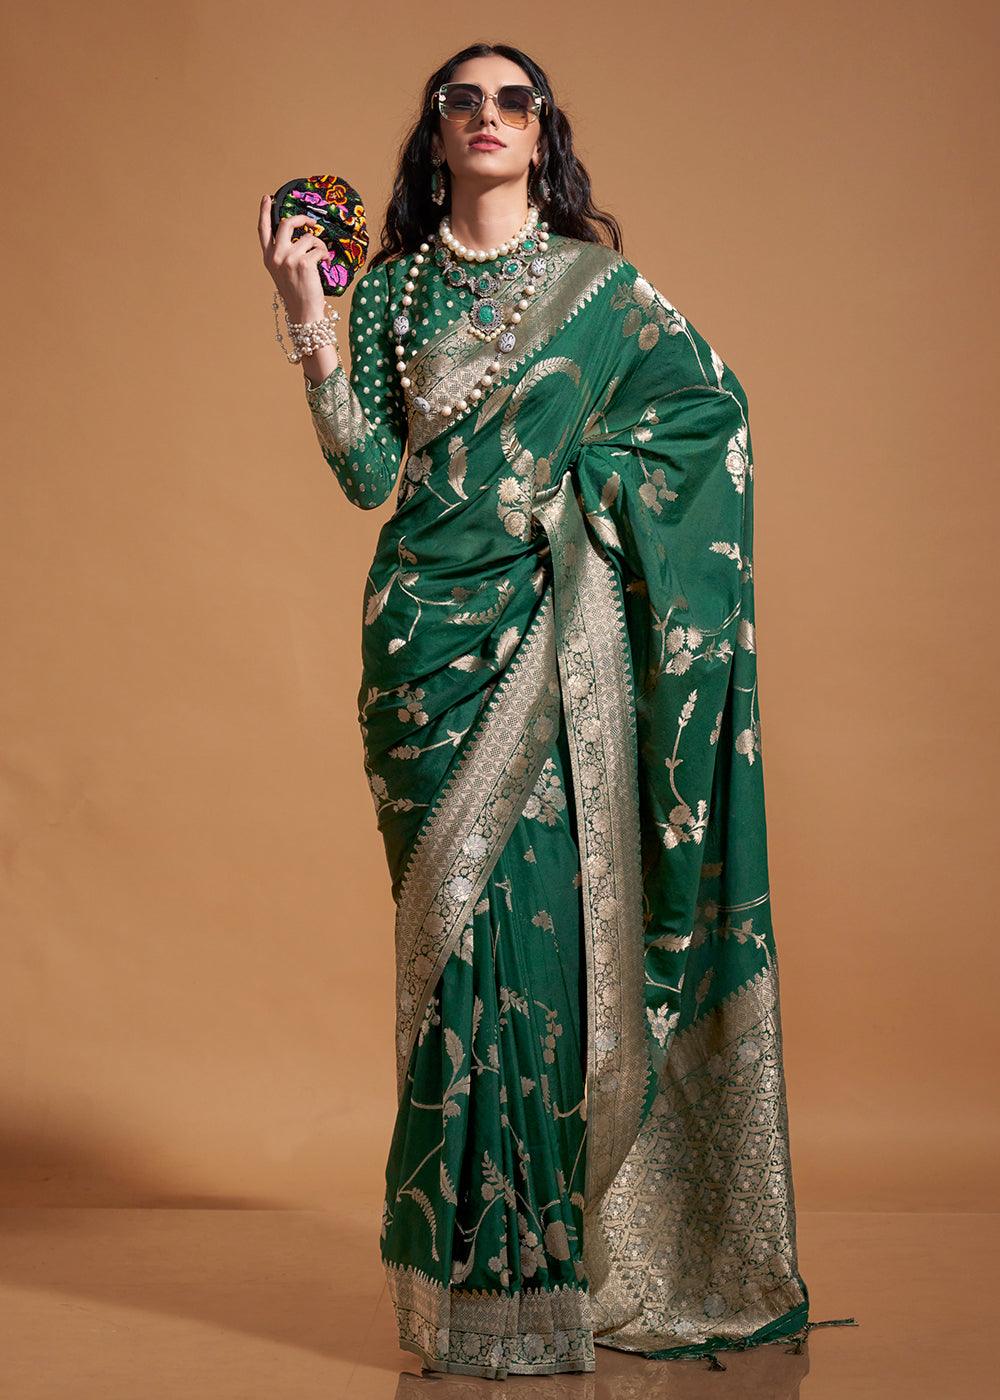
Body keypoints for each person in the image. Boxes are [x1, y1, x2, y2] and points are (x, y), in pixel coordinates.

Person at [257, 40, 854, 1382]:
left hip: (541, 642)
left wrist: (580, 513)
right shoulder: (390, 288)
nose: (487, 116)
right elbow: (364, 472)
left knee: (530, 958)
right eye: (460, 100)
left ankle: (537, 1283)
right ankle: (460, 1294)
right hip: (419, 653)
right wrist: (306, 315)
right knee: (448, 961)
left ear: (543, 134)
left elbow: (711, 418)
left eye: (511, 101)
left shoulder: (601, 292)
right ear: (435, 135)